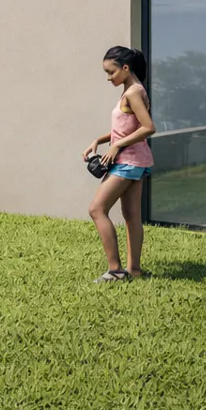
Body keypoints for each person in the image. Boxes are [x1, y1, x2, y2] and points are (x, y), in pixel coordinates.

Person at [83, 46, 155, 283]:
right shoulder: (133, 90)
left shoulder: (132, 92)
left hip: (128, 162)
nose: (108, 77)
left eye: (111, 72)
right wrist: (100, 140)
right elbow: (128, 127)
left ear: (125, 68)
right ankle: (134, 269)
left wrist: (115, 147)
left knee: (97, 209)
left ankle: (115, 270)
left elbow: (148, 128)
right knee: (132, 215)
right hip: (138, 161)